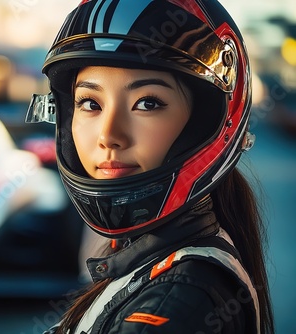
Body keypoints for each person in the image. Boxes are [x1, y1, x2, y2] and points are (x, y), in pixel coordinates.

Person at [26, 0, 274, 333]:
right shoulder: (150, 261)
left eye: (147, 103)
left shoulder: (180, 302)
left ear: (204, 124)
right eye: (90, 103)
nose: (109, 136)